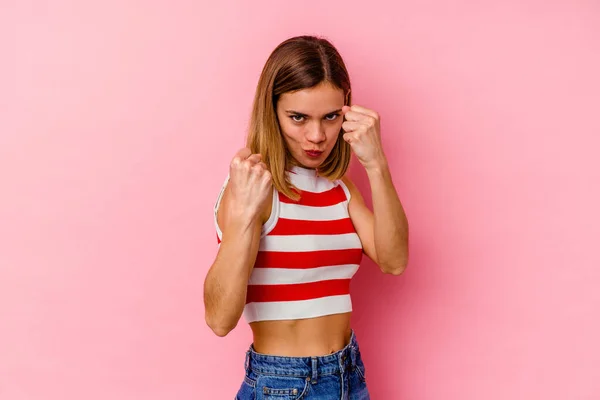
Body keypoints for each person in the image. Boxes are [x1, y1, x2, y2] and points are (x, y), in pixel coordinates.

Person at [203, 35, 409, 399]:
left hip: (349, 374)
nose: (317, 136)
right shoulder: (255, 185)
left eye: (330, 117)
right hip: (286, 383)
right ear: (272, 110)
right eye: (298, 117)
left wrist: (376, 164)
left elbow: (393, 261)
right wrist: (246, 216)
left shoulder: (339, 188)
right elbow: (220, 319)